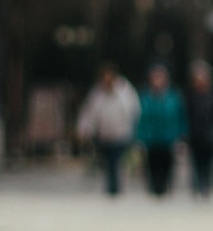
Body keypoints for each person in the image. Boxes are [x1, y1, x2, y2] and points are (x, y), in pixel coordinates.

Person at [74, 62, 139, 194]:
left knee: (117, 163)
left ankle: (117, 189)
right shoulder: (97, 93)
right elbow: (90, 113)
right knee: (107, 164)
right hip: (104, 135)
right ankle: (110, 189)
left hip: (121, 134)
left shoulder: (125, 91)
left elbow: (133, 110)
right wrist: (83, 130)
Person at [136, 63, 186, 198]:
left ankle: (165, 193)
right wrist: (139, 138)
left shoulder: (174, 97)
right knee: (152, 171)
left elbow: (181, 118)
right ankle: (154, 194)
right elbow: (140, 120)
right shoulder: (144, 97)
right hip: (150, 141)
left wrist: (182, 137)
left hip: (169, 139)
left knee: (167, 170)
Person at [186, 59, 213, 199]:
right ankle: (199, 188)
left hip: (212, 137)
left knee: (212, 164)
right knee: (197, 164)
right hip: (196, 137)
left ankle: (212, 187)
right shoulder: (190, 97)